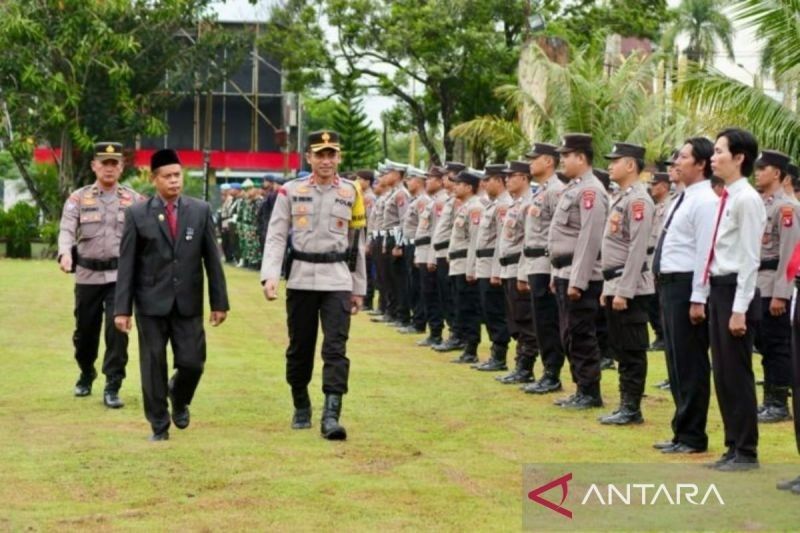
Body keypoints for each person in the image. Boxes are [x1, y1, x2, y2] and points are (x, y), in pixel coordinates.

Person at [114, 149, 229, 441]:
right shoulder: (137, 214)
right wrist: (122, 309)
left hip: (188, 301)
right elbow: (126, 264)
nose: (174, 181)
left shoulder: (200, 210)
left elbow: (212, 260)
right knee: (153, 365)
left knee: (193, 362)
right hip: (150, 302)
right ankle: (159, 425)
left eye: (178, 175)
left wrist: (219, 303)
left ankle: (179, 396)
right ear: (155, 179)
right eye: (167, 176)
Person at [260, 130, 366, 441]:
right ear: (309, 157)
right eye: (320, 154)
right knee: (300, 347)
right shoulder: (289, 191)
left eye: (331, 154)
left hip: (337, 278)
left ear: (339, 157)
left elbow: (357, 243)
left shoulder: (351, 192)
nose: (326, 160)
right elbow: (277, 235)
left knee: (335, 347)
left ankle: (331, 414)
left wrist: (359, 287)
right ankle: (301, 403)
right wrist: (270, 275)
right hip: (302, 277)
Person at [57, 142, 145, 408]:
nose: (109, 168)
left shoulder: (135, 201)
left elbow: (148, 234)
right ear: (94, 166)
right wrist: (65, 253)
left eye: (114, 163)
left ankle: (112, 384)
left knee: (117, 332)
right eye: (104, 163)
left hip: (120, 277)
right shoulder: (78, 198)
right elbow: (66, 230)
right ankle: (86, 372)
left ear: (121, 167)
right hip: (87, 276)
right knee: (85, 333)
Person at [704, 128, 766, 471]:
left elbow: (749, 258)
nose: (714, 158)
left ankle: (746, 450)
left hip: (735, 291)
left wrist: (740, 309)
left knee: (738, 373)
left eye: (719, 151)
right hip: (719, 288)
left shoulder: (747, 199)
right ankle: (732, 445)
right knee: (723, 373)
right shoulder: (726, 197)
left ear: (739, 157)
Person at [652, 137, 718, 455]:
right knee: (676, 362)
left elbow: (705, 252)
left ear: (701, 164)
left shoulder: (704, 200)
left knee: (690, 363)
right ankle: (681, 431)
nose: (676, 162)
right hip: (669, 286)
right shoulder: (683, 197)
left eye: (684, 157)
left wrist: (698, 297)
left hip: (686, 286)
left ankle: (693, 435)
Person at [548, 133, 609, 409]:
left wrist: (578, 280)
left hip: (579, 275)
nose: (562, 160)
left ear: (581, 158)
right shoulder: (574, 188)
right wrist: (555, 274)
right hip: (564, 272)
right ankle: (580, 389)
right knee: (568, 335)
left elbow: (589, 238)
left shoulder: (591, 191)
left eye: (566, 155)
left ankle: (590, 392)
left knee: (581, 335)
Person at [598, 143, 655, 425]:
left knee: (632, 349)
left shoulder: (639, 201)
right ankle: (625, 404)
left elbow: (638, 248)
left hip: (629, 286)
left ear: (631, 165)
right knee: (620, 347)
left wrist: (624, 290)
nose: (610, 165)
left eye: (615, 161)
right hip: (615, 282)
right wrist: (608, 288)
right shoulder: (621, 198)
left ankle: (632, 408)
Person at [753, 150, 799, 423]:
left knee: (777, 345)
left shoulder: (787, 208)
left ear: (777, 174)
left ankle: (778, 402)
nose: (757, 173)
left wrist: (781, 294)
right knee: (765, 344)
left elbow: (792, 255)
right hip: (759, 282)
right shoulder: (761, 204)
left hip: (774, 285)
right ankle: (770, 398)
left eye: (763, 169)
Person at [518, 143, 567, 394]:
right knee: (540, 320)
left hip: (546, 264)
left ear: (548, 161)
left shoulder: (556, 190)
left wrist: (551, 268)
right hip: (534, 263)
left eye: (534, 159)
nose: (530, 162)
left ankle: (552, 373)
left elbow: (557, 232)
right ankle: (547, 369)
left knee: (547, 321)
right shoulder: (542, 191)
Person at [494, 161, 539, 384]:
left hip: (519, 267)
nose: (507, 180)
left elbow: (528, 242)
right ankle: (520, 364)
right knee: (515, 320)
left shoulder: (529, 204)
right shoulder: (515, 205)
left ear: (523, 178)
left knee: (525, 319)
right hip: (508, 268)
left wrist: (523, 273)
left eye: (512, 176)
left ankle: (525, 366)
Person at [469, 164, 511, 371]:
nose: (484, 184)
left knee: (495, 311)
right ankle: (496, 353)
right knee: (488, 311)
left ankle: (500, 356)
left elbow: (502, 241)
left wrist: (496, 271)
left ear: (499, 180)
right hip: (484, 265)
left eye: (489, 180)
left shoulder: (504, 206)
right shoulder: (492, 205)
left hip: (493, 266)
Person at [445, 169, 484, 364]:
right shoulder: (464, 207)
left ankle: (471, 349)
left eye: (459, 184)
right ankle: (465, 345)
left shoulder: (475, 207)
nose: (455, 186)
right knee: (460, 306)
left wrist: (471, 269)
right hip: (457, 264)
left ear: (469, 187)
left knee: (469, 308)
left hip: (465, 266)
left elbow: (474, 241)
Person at [431, 162, 467, 352]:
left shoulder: (460, 201)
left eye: (450, 175)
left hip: (451, 253)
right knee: (446, 295)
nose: (446, 179)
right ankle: (454, 332)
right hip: (443, 251)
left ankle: (457, 334)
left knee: (454, 297)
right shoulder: (450, 199)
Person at [414, 166, 448, 347]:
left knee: (433, 294)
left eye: (431, 178)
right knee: (427, 293)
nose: (426, 181)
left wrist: (432, 257)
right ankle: (433, 332)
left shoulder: (441, 202)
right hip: (424, 252)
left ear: (440, 180)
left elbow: (437, 232)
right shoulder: (434, 201)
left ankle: (436, 332)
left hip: (431, 254)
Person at [398, 167, 428, 334]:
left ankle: (419, 321)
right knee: (412, 285)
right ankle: (416, 319)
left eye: (410, 179)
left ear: (418, 181)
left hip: (417, 245)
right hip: (410, 243)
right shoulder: (415, 200)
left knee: (417, 285)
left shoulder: (422, 201)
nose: (407, 182)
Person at [647, 172, 671, 351]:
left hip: (660, 258)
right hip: (650, 258)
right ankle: (660, 334)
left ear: (664, 186)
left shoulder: (670, 206)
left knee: (659, 300)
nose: (651, 187)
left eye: (654, 184)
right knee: (653, 301)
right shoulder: (657, 207)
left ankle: (663, 334)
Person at [356, 169, 378, 311]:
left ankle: (367, 301)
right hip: (361, 234)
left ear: (367, 181)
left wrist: (368, 241)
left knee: (367, 270)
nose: (358, 182)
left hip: (365, 234)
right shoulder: (362, 196)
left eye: (360, 179)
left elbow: (370, 221)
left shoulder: (369, 198)